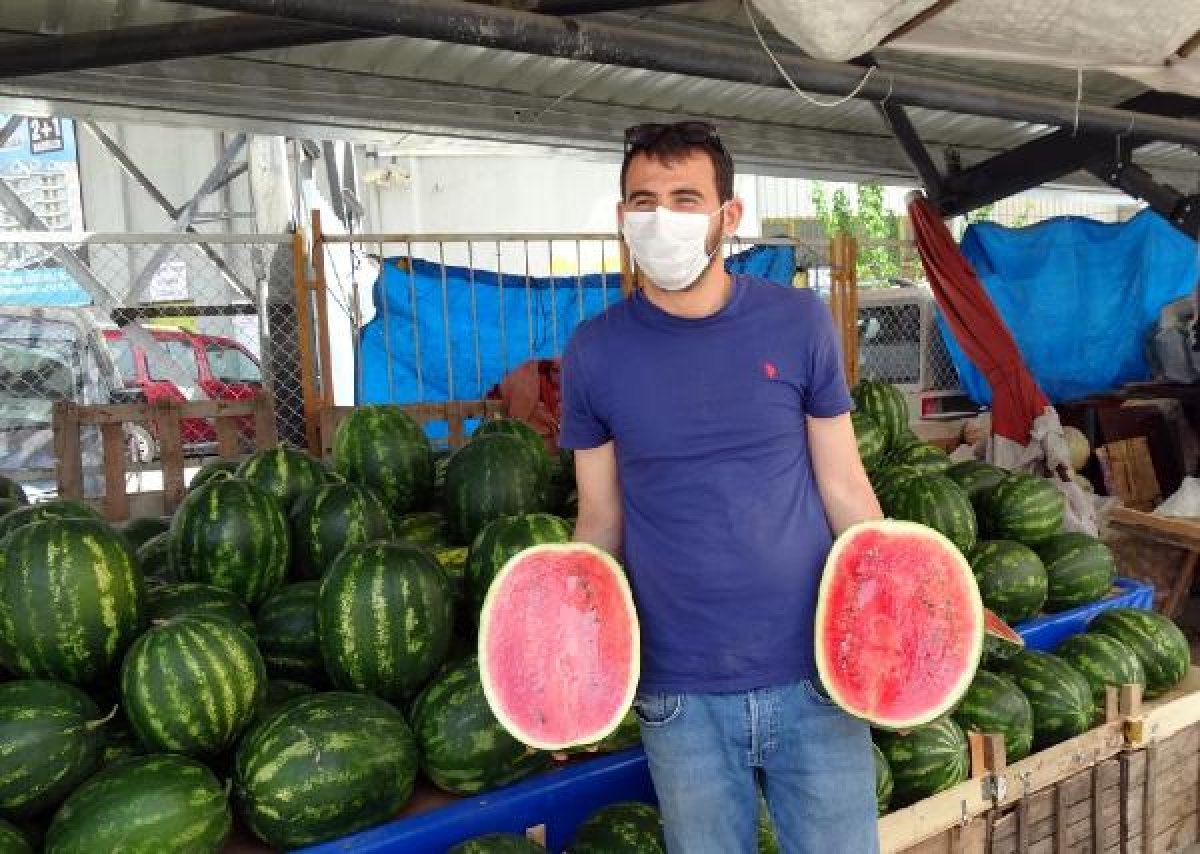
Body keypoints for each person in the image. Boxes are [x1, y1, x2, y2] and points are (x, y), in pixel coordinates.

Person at [559, 121, 884, 853]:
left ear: (727, 216)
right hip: (679, 693)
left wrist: (903, 608)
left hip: (816, 675)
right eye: (644, 201)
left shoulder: (798, 321)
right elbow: (598, 526)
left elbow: (845, 489)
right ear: (621, 218)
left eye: (684, 198)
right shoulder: (594, 351)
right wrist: (568, 666)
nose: (661, 218)